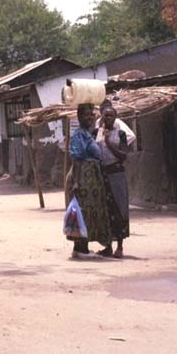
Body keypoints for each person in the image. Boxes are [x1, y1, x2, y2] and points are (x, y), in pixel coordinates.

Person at [67, 103, 112, 259]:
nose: (90, 117)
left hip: (91, 178)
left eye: (92, 114)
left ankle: (82, 247)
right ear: (79, 117)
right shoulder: (78, 135)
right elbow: (77, 159)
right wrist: (76, 182)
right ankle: (80, 249)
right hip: (83, 178)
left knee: (89, 211)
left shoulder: (88, 134)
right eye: (86, 114)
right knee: (83, 211)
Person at [95, 106, 133, 258]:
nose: (107, 119)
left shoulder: (121, 134)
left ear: (115, 118)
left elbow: (123, 155)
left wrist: (108, 142)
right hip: (102, 175)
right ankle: (108, 246)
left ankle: (120, 247)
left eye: (110, 116)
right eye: (105, 116)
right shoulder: (97, 132)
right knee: (105, 209)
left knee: (119, 209)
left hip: (117, 175)